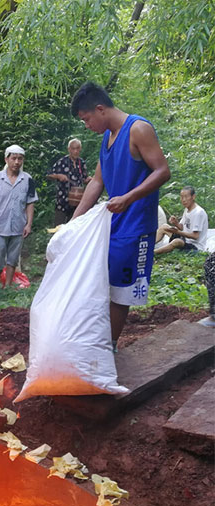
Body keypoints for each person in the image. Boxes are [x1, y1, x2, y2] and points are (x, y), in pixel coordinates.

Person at [70, 81, 171, 349]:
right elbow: (96, 182)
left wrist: (128, 197)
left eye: (87, 118)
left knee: (122, 290)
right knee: (102, 282)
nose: (86, 125)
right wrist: (73, 222)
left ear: (100, 109)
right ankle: (100, 340)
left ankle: (110, 346)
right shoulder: (107, 137)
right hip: (112, 224)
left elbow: (162, 171)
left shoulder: (138, 129)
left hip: (136, 225)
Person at [0, 144, 37, 290]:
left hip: (18, 225)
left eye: (20, 159)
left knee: (13, 257)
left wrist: (29, 224)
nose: (17, 162)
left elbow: (30, 203)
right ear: (6, 159)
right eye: (13, 158)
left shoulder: (27, 180)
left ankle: (7, 286)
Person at [47, 138, 91, 226]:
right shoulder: (62, 161)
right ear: (69, 149)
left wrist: (90, 180)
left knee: (74, 228)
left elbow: (84, 179)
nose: (75, 151)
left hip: (77, 201)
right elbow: (49, 175)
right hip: (63, 201)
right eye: (73, 149)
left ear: (80, 149)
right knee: (58, 229)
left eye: (77, 148)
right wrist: (58, 176)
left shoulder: (81, 162)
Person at [155, 186, 209, 255]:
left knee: (177, 242)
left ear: (193, 197)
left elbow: (195, 236)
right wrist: (176, 223)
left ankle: (154, 253)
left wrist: (178, 232)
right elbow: (182, 227)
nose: (183, 200)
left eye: (186, 197)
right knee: (164, 227)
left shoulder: (198, 213)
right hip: (184, 239)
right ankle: (148, 245)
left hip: (194, 246)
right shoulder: (187, 209)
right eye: (182, 197)